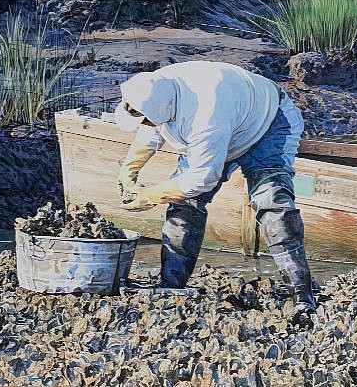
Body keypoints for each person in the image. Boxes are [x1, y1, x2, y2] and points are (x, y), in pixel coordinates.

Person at [114, 60, 317, 323]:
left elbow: (201, 180)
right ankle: (171, 286)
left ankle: (302, 296)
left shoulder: (205, 115)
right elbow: (150, 129)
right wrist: (130, 169)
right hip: (228, 121)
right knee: (185, 206)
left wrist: (149, 196)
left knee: (273, 206)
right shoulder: (153, 86)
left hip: (268, 124)